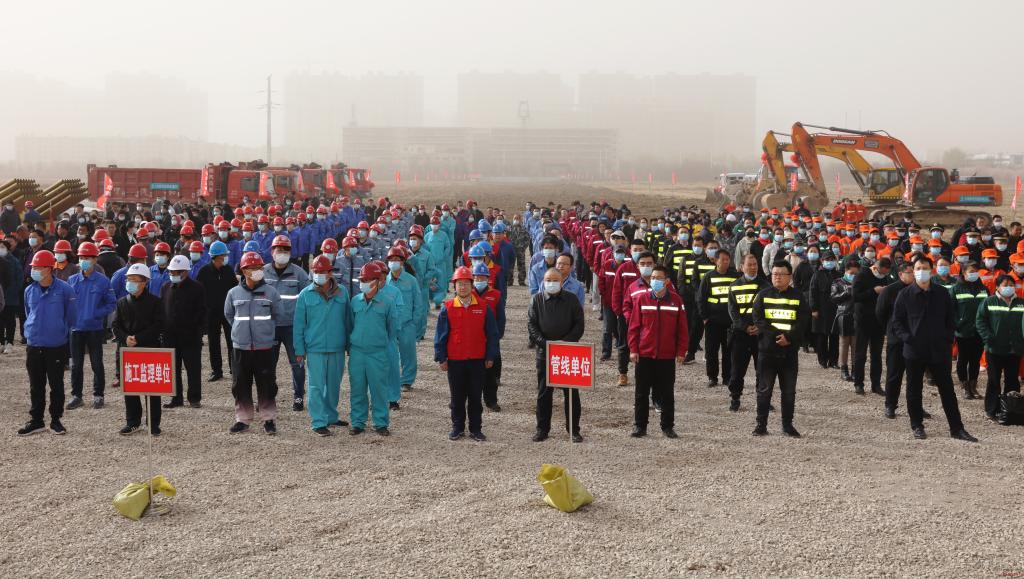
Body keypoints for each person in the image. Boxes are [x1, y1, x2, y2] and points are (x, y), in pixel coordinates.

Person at [891, 257, 978, 442]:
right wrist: (908, 339)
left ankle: (957, 428)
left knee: (947, 390)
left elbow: (950, 317)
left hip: (939, 350)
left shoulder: (941, 292)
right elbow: (897, 322)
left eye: (925, 268)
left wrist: (947, 338)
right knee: (914, 389)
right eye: (918, 268)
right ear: (913, 271)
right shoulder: (904, 294)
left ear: (931, 271)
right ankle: (917, 425)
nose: (921, 271)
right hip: (914, 351)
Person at [435, 266, 499, 441]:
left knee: (475, 396)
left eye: (466, 283)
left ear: (472, 286)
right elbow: (441, 336)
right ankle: (457, 427)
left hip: (477, 360)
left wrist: (490, 356)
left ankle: (476, 428)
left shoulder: (483, 307)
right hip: (455, 360)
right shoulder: (447, 308)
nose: (462, 287)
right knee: (457, 397)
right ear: (454, 286)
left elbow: (492, 334)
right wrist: (441, 357)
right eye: (459, 284)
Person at [18, 250, 76, 436]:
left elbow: (71, 317)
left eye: (38, 267)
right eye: (33, 267)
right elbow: (28, 313)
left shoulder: (65, 290)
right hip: (34, 345)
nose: (34, 270)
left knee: (56, 384)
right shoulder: (29, 290)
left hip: (56, 346)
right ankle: (36, 420)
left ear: (49, 269)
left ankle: (56, 420)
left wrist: (58, 329)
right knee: (36, 385)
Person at [751, 260, 810, 438]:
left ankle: (787, 425)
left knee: (789, 391)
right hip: (767, 350)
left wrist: (789, 338)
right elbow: (758, 319)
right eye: (774, 274)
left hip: (789, 352)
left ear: (789, 277)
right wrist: (778, 336)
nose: (777, 277)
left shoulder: (798, 297)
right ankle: (761, 425)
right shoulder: (762, 295)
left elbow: (803, 321)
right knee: (764, 390)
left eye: (781, 274)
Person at [293, 255, 351, 436]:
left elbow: (348, 321)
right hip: (315, 348)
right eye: (316, 271)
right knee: (316, 387)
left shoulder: (342, 292)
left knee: (334, 386)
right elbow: (299, 325)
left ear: (330, 273)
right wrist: (299, 350)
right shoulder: (305, 295)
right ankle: (318, 421)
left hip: (337, 347)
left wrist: (350, 345)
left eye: (322, 271)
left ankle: (331, 416)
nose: (319, 275)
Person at [225, 252, 282, 435]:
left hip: (264, 347)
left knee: (267, 384)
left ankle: (268, 419)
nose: (257, 271)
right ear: (244, 271)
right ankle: (243, 419)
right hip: (241, 347)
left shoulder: (271, 292)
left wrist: (265, 331)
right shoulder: (233, 293)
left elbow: (277, 315)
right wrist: (240, 331)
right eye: (253, 268)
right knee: (240, 384)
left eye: (259, 268)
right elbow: (229, 315)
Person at [628, 265, 688, 438]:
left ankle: (667, 426)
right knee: (641, 392)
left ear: (667, 281)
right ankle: (640, 426)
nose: (654, 280)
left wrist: (681, 351)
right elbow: (634, 327)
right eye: (653, 278)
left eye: (659, 278)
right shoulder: (642, 299)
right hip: (644, 354)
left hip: (666, 355)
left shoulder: (676, 301)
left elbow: (682, 329)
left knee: (667, 393)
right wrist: (633, 349)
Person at [527, 268, 585, 442]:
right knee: (544, 393)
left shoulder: (571, 299)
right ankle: (542, 429)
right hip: (545, 353)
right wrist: (545, 344)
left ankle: (573, 430)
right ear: (543, 282)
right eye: (548, 280)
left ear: (561, 282)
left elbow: (579, 324)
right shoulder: (536, 300)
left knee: (571, 393)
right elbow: (532, 325)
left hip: (567, 352)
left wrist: (564, 343)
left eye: (555, 280)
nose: (551, 283)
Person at [112, 263, 165, 435]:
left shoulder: (155, 302)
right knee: (130, 388)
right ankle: (133, 421)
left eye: (134, 280)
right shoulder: (121, 302)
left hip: (149, 349)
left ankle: (153, 423)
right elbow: (115, 325)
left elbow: (159, 325)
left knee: (152, 388)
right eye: (128, 279)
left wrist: (139, 338)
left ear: (144, 282)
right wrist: (125, 338)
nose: (130, 283)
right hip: (127, 350)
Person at [348, 262, 399, 436]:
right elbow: (350, 325)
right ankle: (358, 422)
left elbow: (392, 329)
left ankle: (381, 423)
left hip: (378, 353)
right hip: (357, 353)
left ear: (377, 281)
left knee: (379, 389)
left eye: (367, 280)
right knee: (357, 389)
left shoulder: (387, 302)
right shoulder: (355, 301)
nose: (363, 283)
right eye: (362, 280)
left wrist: (379, 343)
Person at [66, 242, 116, 410]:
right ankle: (76, 396)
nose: (84, 261)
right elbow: (65, 303)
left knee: (96, 363)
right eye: (81, 257)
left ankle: (98, 395)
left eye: (87, 258)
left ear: (95, 260)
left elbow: (111, 303)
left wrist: (96, 313)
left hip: (94, 328)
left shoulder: (103, 281)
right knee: (76, 365)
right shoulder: (72, 280)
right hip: (75, 329)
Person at [263, 235, 309, 411]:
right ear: (272, 251)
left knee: (297, 364)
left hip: (292, 327)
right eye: (279, 249)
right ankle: (268, 396)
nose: (282, 253)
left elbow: (307, 299)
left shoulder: (299, 274)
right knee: (268, 365)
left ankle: (298, 397)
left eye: (285, 250)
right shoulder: (263, 272)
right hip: (270, 326)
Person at [975, 274, 1024, 423]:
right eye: (1005, 285)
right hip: (994, 349)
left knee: (1012, 381)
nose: (1008, 287)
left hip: (1014, 349)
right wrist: (988, 337)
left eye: (1011, 285)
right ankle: (992, 410)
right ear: (997, 287)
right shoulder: (988, 302)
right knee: (994, 380)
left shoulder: (1021, 303)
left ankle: (1011, 409)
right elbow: (980, 321)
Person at [161, 255, 207, 409]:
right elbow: (163, 310)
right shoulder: (166, 287)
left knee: (193, 368)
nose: (172, 274)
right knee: (173, 369)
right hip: (170, 337)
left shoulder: (197, 288)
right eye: (171, 272)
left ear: (185, 272)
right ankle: (176, 398)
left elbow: (202, 312)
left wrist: (196, 330)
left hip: (190, 336)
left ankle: (194, 398)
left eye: (176, 272)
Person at [726, 253, 769, 411]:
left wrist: (760, 327)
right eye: (749, 265)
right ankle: (735, 397)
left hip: (760, 335)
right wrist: (745, 327)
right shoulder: (734, 286)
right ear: (741, 267)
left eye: (755, 264)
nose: (752, 267)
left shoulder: (766, 286)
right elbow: (733, 311)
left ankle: (762, 398)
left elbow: (769, 310)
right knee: (737, 370)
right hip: (740, 334)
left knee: (762, 369)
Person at [877, 261, 915, 418]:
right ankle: (890, 405)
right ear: (900, 274)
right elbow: (880, 313)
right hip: (896, 339)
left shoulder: (919, 289)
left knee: (914, 376)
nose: (914, 275)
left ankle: (915, 406)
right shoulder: (890, 290)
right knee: (894, 374)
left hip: (915, 339)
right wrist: (890, 329)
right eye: (910, 272)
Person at [697, 249, 738, 388]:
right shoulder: (708, 276)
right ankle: (712, 377)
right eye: (723, 259)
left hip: (730, 321)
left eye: (727, 259)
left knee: (728, 351)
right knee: (711, 351)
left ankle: (727, 377)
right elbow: (701, 298)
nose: (726, 262)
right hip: (712, 321)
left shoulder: (735, 276)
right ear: (716, 260)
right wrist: (704, 317)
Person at [385, 247, 422, 397]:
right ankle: (391, 381)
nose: (393, 263)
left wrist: (414, 322)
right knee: (390, 355)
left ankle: (407, 380)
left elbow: (418, 303)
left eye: (397, 260)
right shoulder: (384, 281)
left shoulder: (411, 280)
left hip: (407, 324)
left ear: (402, 262)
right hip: (390, 325)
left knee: (408, 353)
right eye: (391, 260)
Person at [852, 257, 892, 395]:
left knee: (876, 355)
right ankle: (858, 383)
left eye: (886, 273)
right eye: (882, 272)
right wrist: (873, 291)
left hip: (878, 322)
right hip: (863, 320)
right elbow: (855, 296)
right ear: (876, 267)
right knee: (860, 354)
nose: (883, 275)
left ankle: (876, 385)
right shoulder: (862, 275)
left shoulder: (885, 278)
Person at [196, 241, 235, 382]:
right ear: (217, 257)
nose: (226, 257)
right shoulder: (204, 272)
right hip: (211, 313)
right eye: (224, 255)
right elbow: (199, 293)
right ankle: (216, 370)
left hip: (228, 312)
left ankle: (234, 369)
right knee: (213, 342)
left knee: (232, 341)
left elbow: (235, 289)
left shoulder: (229, 270)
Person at [951, 262, 988, 400]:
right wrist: (957, 324)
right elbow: (950, 310)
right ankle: (965, 386)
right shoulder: (956, 289)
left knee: (975, 360)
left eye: (976, 271)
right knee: (963, 359)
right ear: (964, 273)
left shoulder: (983, 289)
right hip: (963, 331)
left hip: (979, 331)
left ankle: (973, 385)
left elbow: (988, 309)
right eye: (971, 271)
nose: (974, 274)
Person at [808, 250, 841, 369]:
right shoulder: (817, 274)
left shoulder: (838, 274)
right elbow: (812, 292)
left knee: (834, 336)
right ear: (822, 261)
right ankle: (823, 360)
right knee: (821, 336)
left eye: (832, 260)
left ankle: (833, 361)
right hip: (821, 309)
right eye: (827, 260)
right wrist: (814, 309)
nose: (830, 262)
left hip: (835, 309)